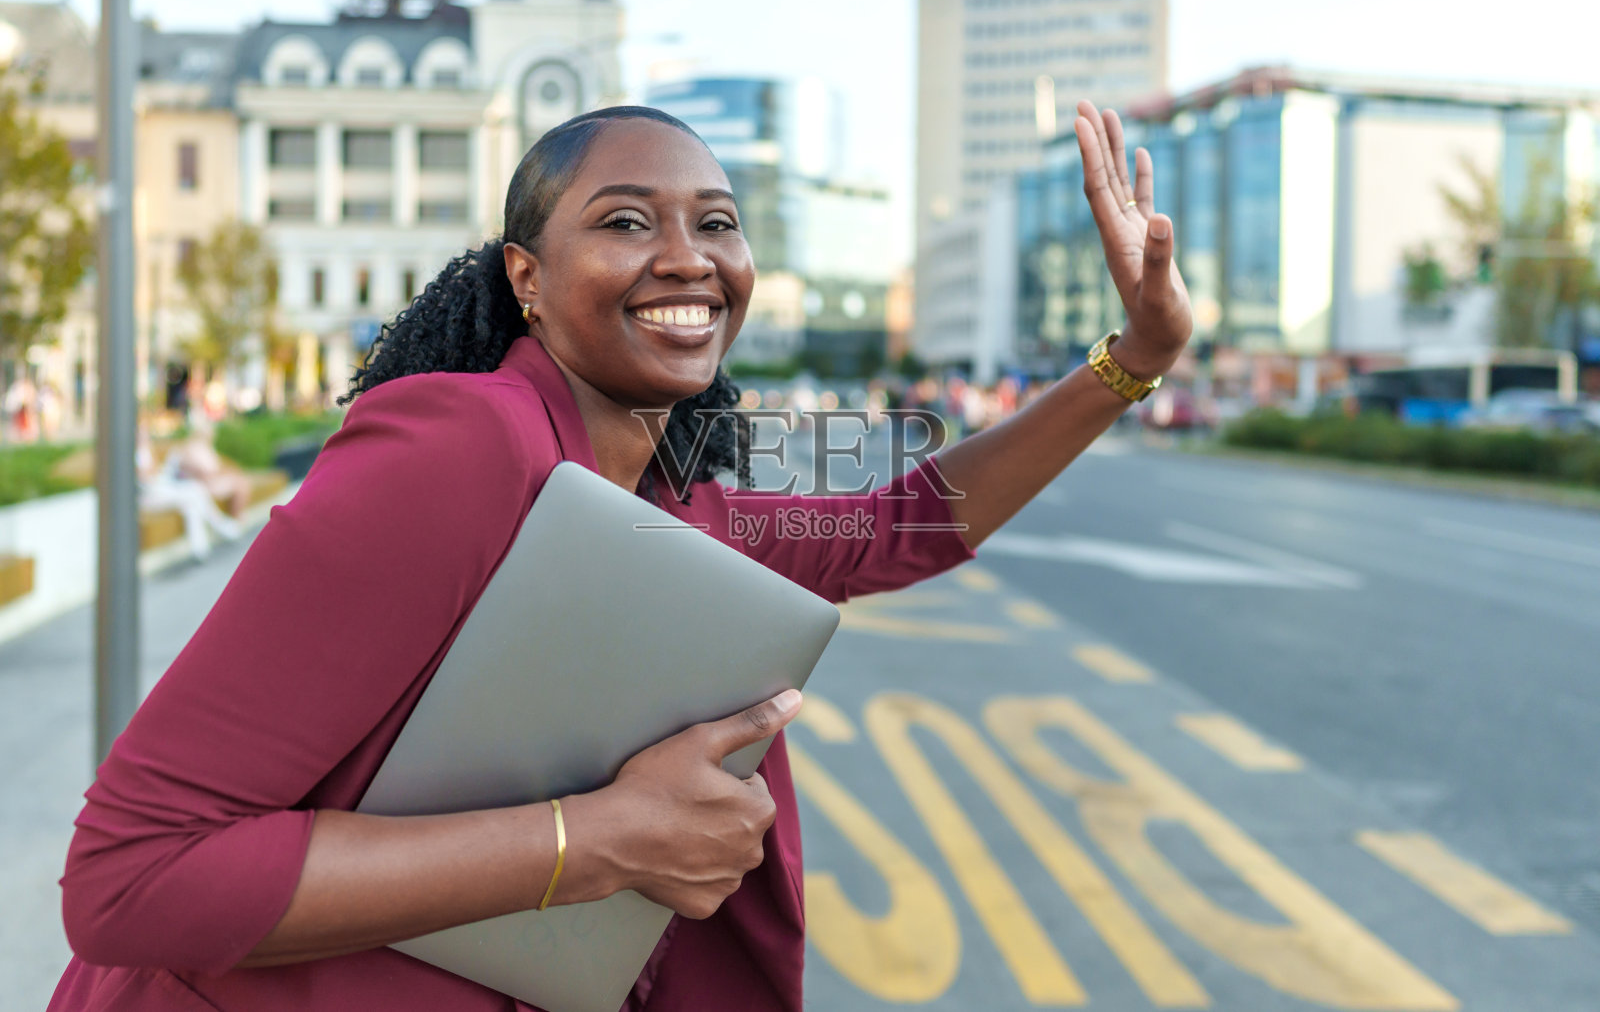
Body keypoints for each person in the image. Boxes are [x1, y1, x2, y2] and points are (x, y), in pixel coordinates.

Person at [51, 101, 1190, 1011]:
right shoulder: (461, 443)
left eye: (717, 222)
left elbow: (905, 525)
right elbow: (130, 879)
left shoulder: (673, 508)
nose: (688, 258)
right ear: (525, 280)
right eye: (626, 221)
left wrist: (1132, 357)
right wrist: (594, 840)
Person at [136, 427, 243, 563]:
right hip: (148, 496)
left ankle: (199, 549)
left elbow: (153, 471)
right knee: (195, 491)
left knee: (192, 502)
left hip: (158, 489)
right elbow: (144, 477)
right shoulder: (131, 451)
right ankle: (221, 526)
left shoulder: (145, 449)